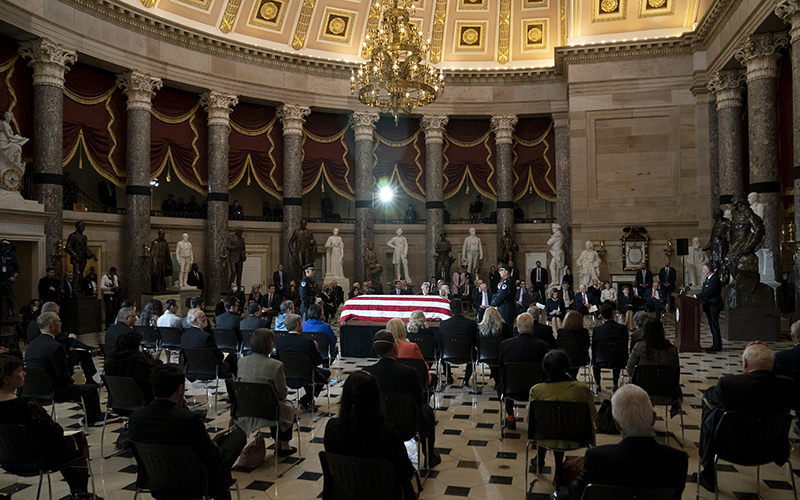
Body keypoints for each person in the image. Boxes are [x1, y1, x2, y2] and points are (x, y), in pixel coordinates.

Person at [128, 364, 246, 500]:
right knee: (237, 437)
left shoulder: (135, 418)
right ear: (180, 389)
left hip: (155, 481)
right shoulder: (188, 419)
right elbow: (212, 457)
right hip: (195, 482)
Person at [695, 342, 797, 492]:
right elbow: (776, 381)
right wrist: (766, 359)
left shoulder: (730, 384)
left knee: (712, 411)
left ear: (746, 363)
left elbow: (709, 396)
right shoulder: (787, 386)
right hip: (771, 449)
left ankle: (708, 471)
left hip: (729, 447)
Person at [565, 384, 688, 499]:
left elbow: (575, 493)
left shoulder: (597, 458)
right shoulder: (678, 460)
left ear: (617, 424)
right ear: (653, 419)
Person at [0, 354, 97, 500]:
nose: (24, 373)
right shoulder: (26, 406)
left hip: (8, 460)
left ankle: (79, 491)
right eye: (20, 371)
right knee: (78, 439)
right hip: (39, 458)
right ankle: (80, 492)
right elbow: (56, 432)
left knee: (67, 444)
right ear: (7, 379)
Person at [324, 371, 416, 499]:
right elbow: (405, 473)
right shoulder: (388, 434)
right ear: (376, 398)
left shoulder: (332, 428)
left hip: (346, 494)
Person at [363, 330, 439, 467]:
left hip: (377, 425)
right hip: (408, 427)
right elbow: (419, 402)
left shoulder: (366, 373)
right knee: (427, 409)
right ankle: (430, 456)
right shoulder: (409, 373)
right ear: (394, 348)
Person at [527, 350, 596, 489]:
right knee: (560, 425)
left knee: (550, 423)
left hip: (544, 437)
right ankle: (559, 472)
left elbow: (530, 420)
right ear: (567, 366)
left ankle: (541, 460)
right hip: (577, 436)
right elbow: (592, 417)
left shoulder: (537, 390)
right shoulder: (582, 389)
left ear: (545, 368)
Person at [25, 311, 104, 425]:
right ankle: (93, 418)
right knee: (90, 388)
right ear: (52, 324)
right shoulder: (56, 347)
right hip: (53, 391)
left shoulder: (32, 345)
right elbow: (62, 375)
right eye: (59, 321)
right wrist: (73, 382)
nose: (61, 324)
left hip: (33, 390)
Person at [233, 329, 297, 457]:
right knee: (287, 407)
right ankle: (284, 444)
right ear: (269, 344)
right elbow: (282, 393)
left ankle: (278, 441)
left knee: (274, 404)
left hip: (245, 408)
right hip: (268, 411)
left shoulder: (241, 362)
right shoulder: (276, 365)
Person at [498, 312, 550, 430]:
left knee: (504, 380)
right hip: (536, 389)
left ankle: (510, 416)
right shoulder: (543, 346)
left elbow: (501, 368)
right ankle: (536, 417)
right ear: (532, 327)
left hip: (511, 389)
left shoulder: (505, 345)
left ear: (517, 327)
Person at [274, 314, 330, 412]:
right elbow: (318, 361)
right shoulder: (307, 342)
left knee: (307, 370)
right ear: (297, 325)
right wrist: (315, 348)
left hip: (286, 376)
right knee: (325, 373)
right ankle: (307, 399)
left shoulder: (279, 342)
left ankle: (307, 400)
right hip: (307, 376)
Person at [626, 318, 681, 414]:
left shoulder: (640, 347)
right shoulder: (672, 350)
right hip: (667, 391)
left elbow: (630, 369)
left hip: (642, 391)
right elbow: (675, 373)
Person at [104, 331, 160, 404]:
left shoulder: (109, 360)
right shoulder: (140, 363)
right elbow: (152, 382)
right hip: (141, 401)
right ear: (136, 346)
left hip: (116, 401)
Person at [181, 308, 237, 379]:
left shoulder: (184, 336)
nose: (206, 318)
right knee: (232, 357)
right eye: (203, 316)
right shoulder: (206, 336)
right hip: (210, 369)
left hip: (192, 369)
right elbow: (218, 356)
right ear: (195, 320)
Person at [437, 299, 478, 387]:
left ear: (450, 310)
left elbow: (440, 342)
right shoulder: (471, 324)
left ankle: (448, 377)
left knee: (442, 351)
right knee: (474, 352)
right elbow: (475, 341)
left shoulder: (443, 324)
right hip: (467, 355)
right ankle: (466, 380)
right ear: (462, 309)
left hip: (447, 355)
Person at [591, 303, 628, 393]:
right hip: (619, 360)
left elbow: (593, 347)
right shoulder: (622, 328)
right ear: (613, 314)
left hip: (600, 360)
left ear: (602, 315)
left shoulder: (597, 330)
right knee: (616, 352)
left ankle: (598, 384)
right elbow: (625, 346)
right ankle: (615, 384)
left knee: (595, 357)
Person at [694, 263, 723, 351]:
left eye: (703, 270)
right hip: (709, 305)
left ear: (708, 270)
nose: (702, 271)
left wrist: (696, 296)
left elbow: (709, 292)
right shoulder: (708, 279)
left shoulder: (715, 279)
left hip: (714, 305)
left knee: (714, 325)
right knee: (712, 325)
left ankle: (717, 345)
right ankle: (715, 344)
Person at [557, 310, 590, 380]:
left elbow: (558, 346)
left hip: (563, 359)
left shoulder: (561, 332)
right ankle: (572, 377)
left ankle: (570, 378)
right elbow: (587, 345)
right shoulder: (584, 332)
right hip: (580, 359)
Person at [0, 239, 20, 321]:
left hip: (9, 280)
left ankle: (11, 314)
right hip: (0, 279)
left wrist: (14, 277)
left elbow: (17, 269)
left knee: (9, 298)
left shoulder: (12, 255)